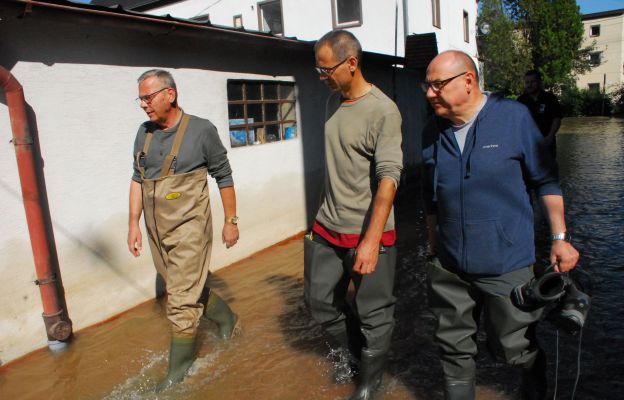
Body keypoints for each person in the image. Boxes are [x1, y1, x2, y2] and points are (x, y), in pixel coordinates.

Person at [421, 51, 579, 400]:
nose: (430, 93)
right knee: (453, 351)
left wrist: (559, 238)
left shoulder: (514, 117)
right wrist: (432, 241)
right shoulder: (432, 129)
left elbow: (546, 181)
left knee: (515, 348)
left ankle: (534, 392)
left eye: (437, 85)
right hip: (449, 267)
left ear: (468, 81)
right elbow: (430, 195)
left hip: (505, 263)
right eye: (427, 86)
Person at [127, 69, 241, 392]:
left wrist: (231, 222)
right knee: (187, 289)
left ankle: (177, 376)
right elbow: (137, 180)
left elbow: (224, 175)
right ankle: (228, 320)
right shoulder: (143, 133)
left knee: (178, 302)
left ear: (170, 95)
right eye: (140, 98)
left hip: (190, 229)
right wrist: (133, 223)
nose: (143, 105)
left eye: (147, 97)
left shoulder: (202, 131)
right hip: (156, 232)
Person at [304, 30, 403, 400]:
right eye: (318, 69)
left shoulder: (383, 110)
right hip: (326, 227)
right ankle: (353, 358)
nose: (321, 76)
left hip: (368, 232)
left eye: (326, 69)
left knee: (374, 313)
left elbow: (389, 177)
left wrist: (371, 241)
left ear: (351, 63)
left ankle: (370, 383)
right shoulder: (332, 103)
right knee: (318, 303)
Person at [517, 70, 562, 158]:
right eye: (527, 82)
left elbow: (557, 119)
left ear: (539, 82)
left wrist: (550, 137)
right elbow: (516, 123)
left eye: (532, 82)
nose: (529, 85)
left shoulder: (550, 98)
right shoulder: (520, 101)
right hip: (527, 144)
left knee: (548, 169)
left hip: (546, 141)